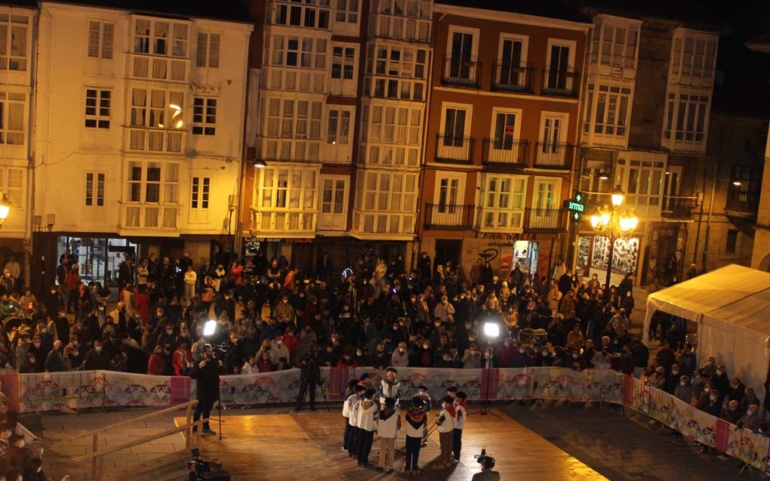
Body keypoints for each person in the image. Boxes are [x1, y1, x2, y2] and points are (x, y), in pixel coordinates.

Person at [189, 343, 221, 436]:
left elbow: (221, 372)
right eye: (208, 351)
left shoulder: (214, 361)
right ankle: (195, 429)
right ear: (204, 353)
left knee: (207, 410)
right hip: (203, 391)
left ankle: (206, 427)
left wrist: (221, 366)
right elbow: (192, 375)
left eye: (211, 350)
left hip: (212, 390)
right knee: (199, 410)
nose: (210, 352)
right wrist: (199, 367)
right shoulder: (199, 362)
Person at [355, 388, 379, 469]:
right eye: (374, 394)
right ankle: (364, 461)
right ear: (372, 395)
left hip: (360, 426)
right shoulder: (374, 406)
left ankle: (359, 460)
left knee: (361, 443)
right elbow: (375, 418)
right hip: (369, 428)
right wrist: (376, 429)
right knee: (367, 445)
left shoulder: (361, 402)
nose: (375, 395)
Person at [377, 397, 400, 473]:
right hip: (391, 434)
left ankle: (380, 465)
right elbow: (399, 425)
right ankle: (391, 467)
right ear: (393, 404)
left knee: (382, 450)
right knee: (391, 450)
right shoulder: (396, 414)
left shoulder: (381, 412)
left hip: (382, 433)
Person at [404, 397, 427, 474]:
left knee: (408, 451)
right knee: (416, 451)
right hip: (418, 435)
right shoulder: (423, 413)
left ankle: (407, 467)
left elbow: (406, 420)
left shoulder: (409, 412)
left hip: (410, 434)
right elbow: (424, 424)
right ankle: (415, 467)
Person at [437, 396, 456, 468]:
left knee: (444, 446)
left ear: (447, 403)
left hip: (444, 431)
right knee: (449, 446)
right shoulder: (452, 409)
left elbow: (439, 422)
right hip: (451, 430)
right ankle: (448, 460)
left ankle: (443, 461)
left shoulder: (444, 412)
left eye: (444, 402)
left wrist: (438, 419)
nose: (443, 403)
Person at [452, 391, 467, 463]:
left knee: (456, 442)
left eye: (456, 397)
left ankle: (456, 457)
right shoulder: (461, 405)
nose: (455, 398)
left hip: (457, 427)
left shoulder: (460, 407)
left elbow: (456, 418)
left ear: (460, 398)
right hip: (458, 426)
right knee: (456, 441)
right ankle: (455, 455)